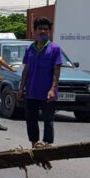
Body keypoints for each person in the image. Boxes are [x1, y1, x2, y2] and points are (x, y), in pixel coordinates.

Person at [18, 17, 62, 148]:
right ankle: (34, 144)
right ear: (35, 31)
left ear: (49, 32)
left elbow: (56, 70)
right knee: (31, 119)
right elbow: (26, 70)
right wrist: (21, 88)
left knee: (48, 120)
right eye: (40, 29)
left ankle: (48, 145)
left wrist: (53, 89)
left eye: (46, 29)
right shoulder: (29, 49)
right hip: (31, 91)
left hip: (47, 93)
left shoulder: (55, 49)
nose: (43, 31)